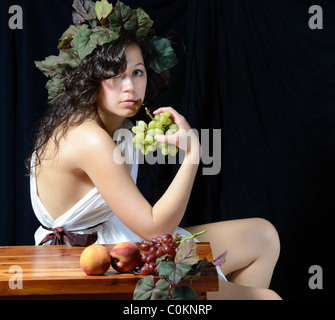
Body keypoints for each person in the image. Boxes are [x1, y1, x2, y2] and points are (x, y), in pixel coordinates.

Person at [28, 1, 281, 300]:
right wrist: (192, 155)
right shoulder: (89, 138)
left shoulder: (115, 125)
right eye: (114, 74)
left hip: (120, 240)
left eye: (137, 73)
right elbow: (153, 229)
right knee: (268, 299)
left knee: (263, 237)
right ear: (90, 78)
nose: (130, 87)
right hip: (98, 260)